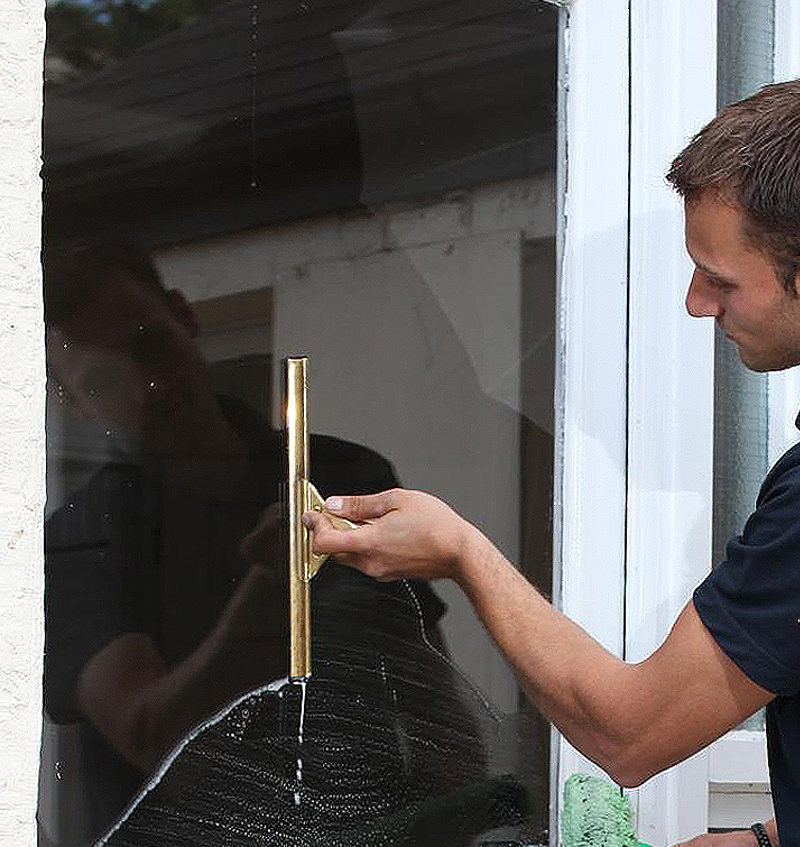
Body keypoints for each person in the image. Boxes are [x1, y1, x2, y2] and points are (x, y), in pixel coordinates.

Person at [304, 78, 800, 847]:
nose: (695, 302)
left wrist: (463, 553)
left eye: (720, 278)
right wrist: (776, 838)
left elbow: (629, 735)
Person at [42, 245, 485, 843]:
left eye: (150, 347)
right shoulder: (82, 537)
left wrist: (462, 821)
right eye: (103, 380)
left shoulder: (338, 471)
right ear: (74, 403)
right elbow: (153, 737)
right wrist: (273, 584)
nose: (148, 390)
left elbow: (428, 695)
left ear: (184, 316)